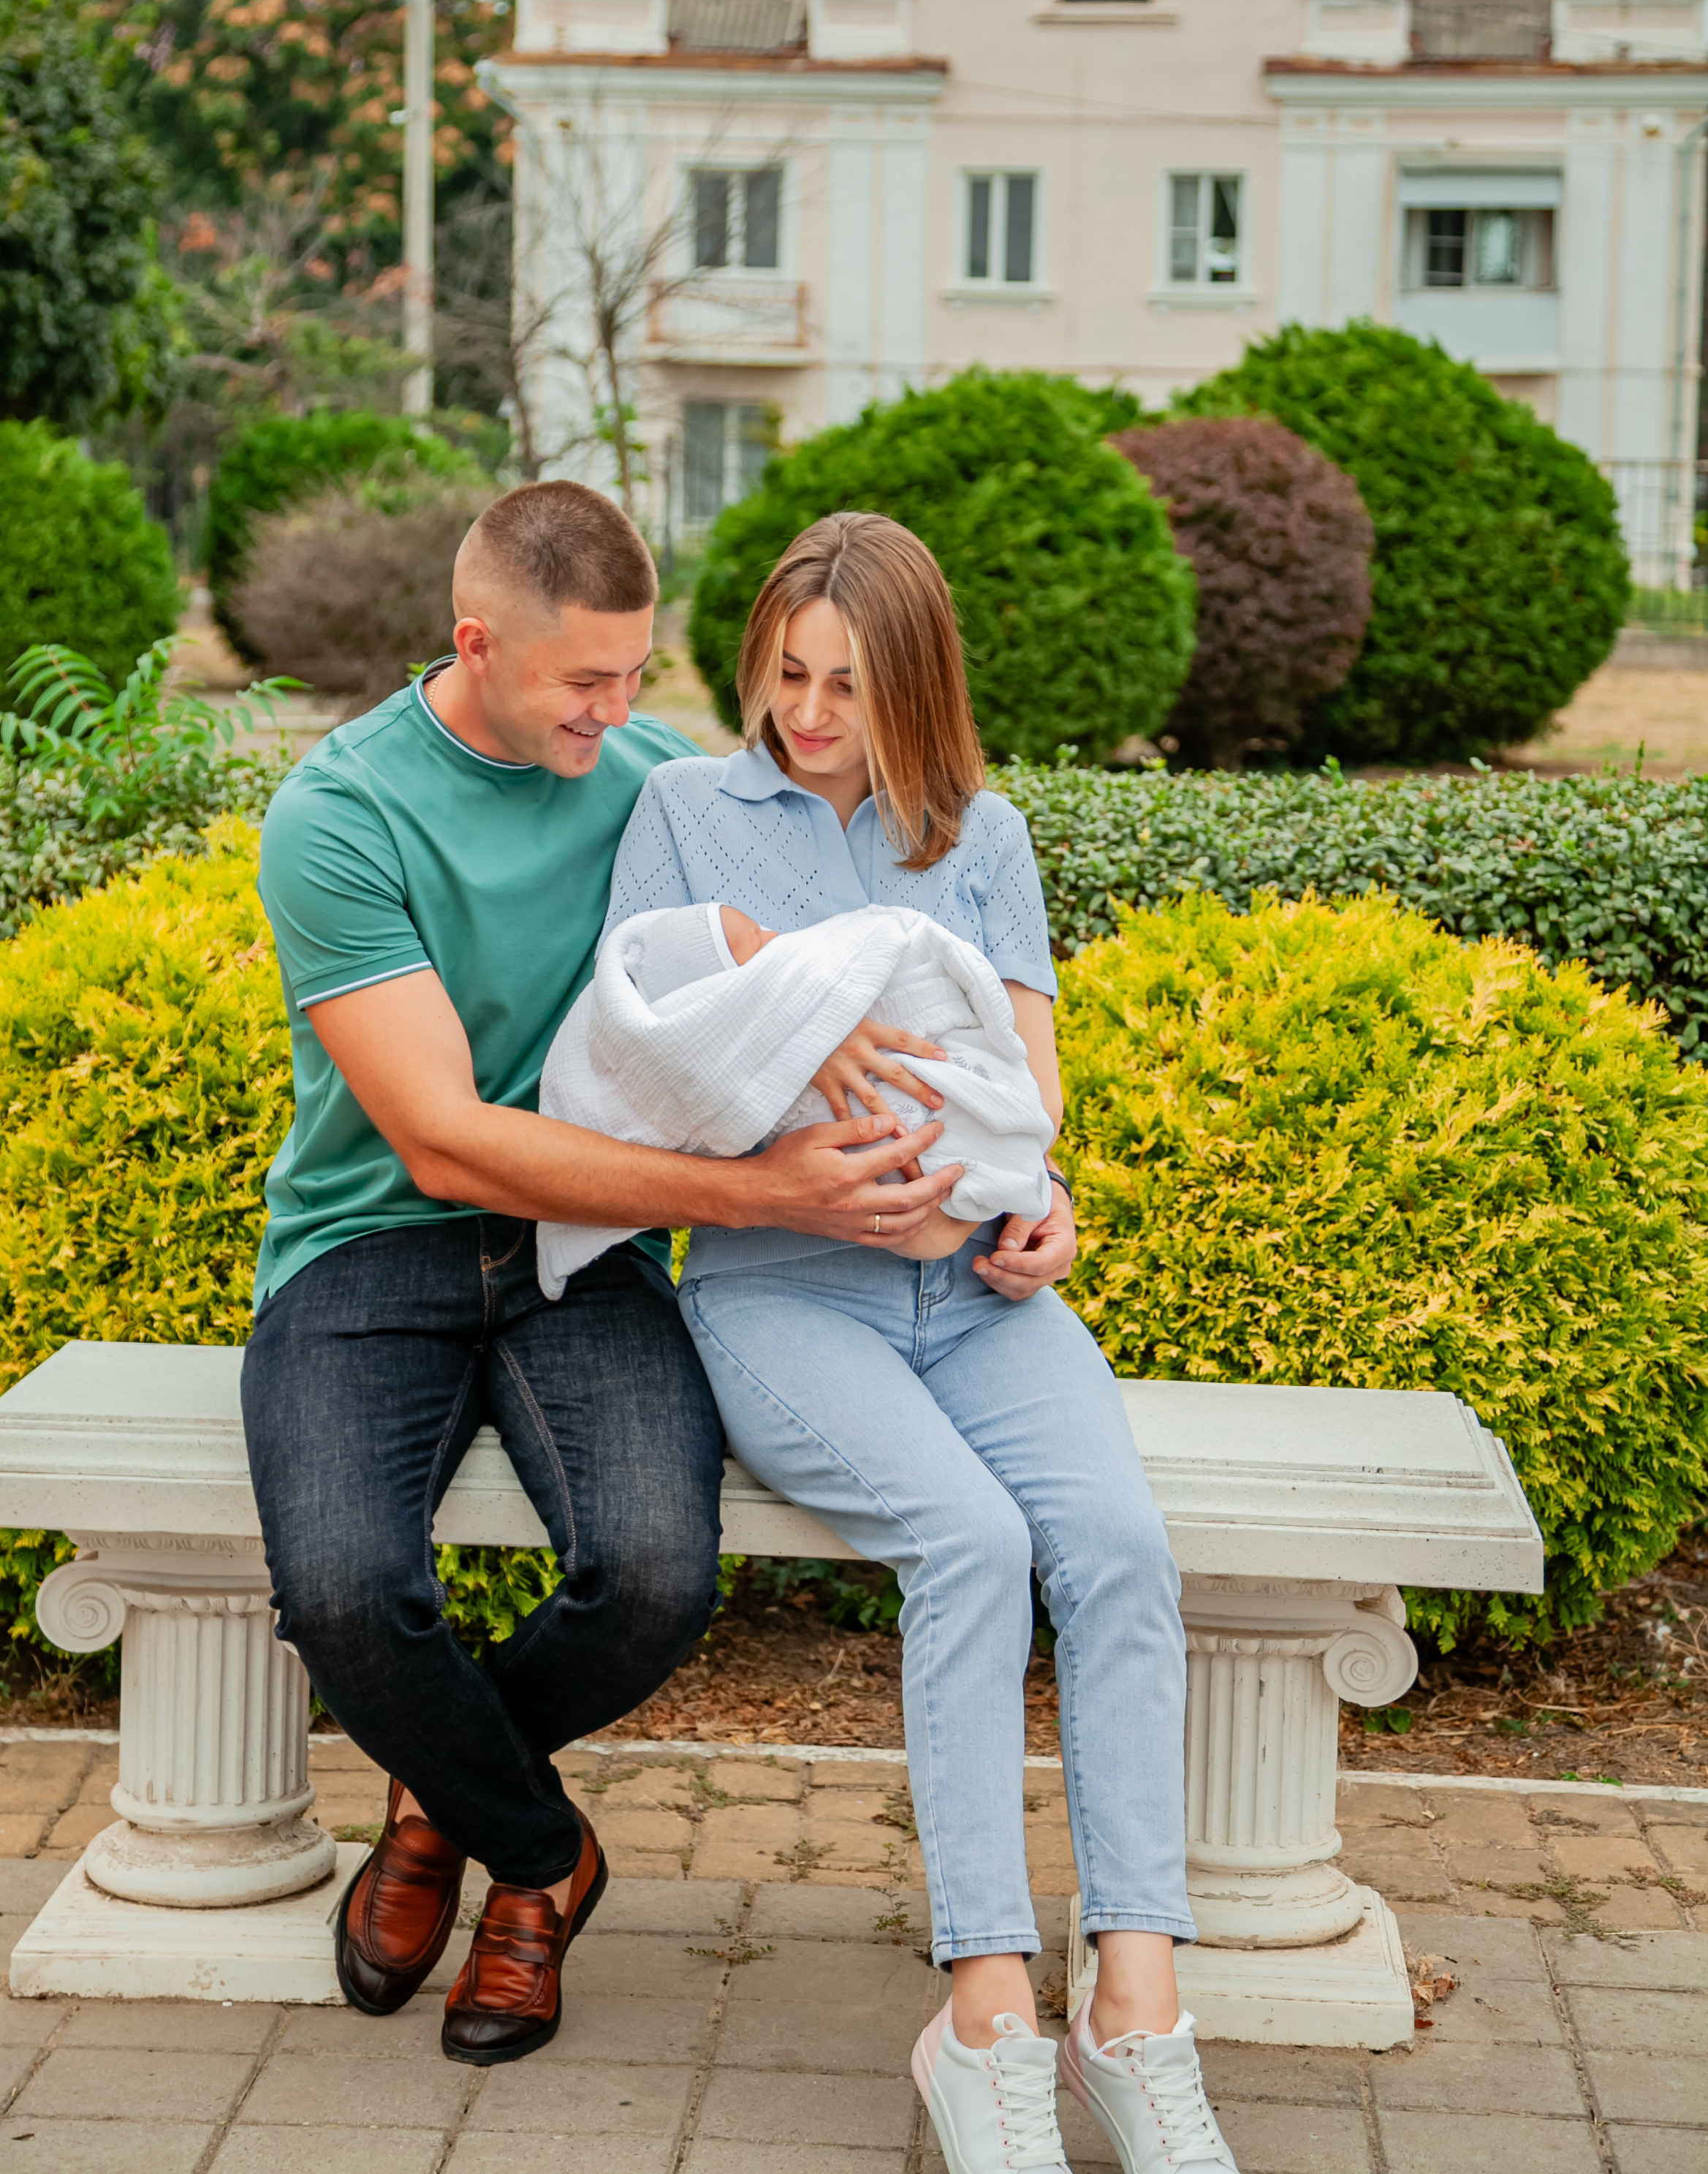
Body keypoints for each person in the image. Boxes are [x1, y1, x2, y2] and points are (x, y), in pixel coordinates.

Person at [242, 480, 964, 2068]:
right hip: (372, 1246)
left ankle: (441, 1802)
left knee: (653, 1576)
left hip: (596, 1254)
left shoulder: (649, 776)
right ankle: (541, 1857)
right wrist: (756, 1191)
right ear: (475, 642)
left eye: (638, 676)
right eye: (584, 682)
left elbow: (832, 918)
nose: (620, 713)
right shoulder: (343, 812)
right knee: (347, 1594)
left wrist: (823, 1010)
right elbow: (442, 1141)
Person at [602, 512, 1240, 2174]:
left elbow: (1026, 1096)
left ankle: (1135, 2011)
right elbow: (643, 1076)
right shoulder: (680, 811)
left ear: (916, 688)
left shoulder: (980, 835)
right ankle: (980, 2020)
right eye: (786, 671)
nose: (806, 711)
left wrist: (1052, 1210)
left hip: (979, 1295)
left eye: (846, 686)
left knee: (1110, 1545)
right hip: (775, 1292)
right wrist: (799, 1188)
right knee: (967, 1542)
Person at [531, 895, 1054, 1292]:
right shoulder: (677, 798)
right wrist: (803, 1033)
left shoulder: (992, 827)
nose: (777, 939)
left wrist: (1052, 1189)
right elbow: (680, 1055)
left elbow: (909, 950)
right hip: (776, 1278)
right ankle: (970, 1185)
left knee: (953, 1100)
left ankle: (986, 1178)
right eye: (756, 946)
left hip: (976, 1282)